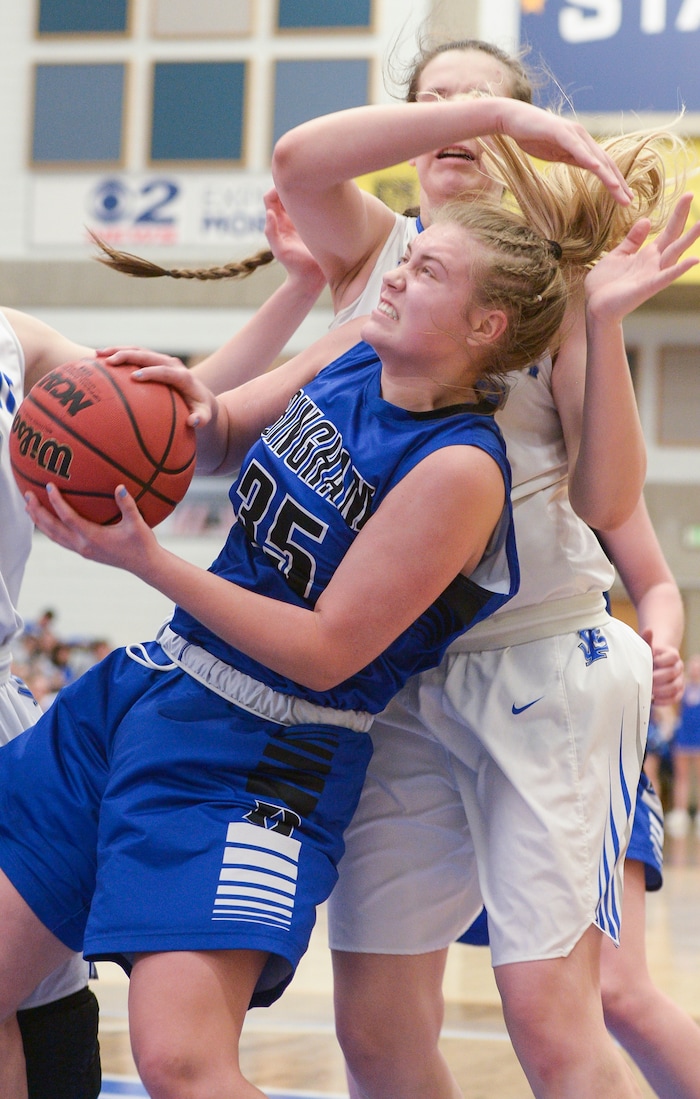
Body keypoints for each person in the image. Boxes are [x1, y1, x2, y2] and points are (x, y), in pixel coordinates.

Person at [0, 190, 608, 1099]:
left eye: (427, 267)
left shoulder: (461, 467)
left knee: (182, 1062)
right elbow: (223, 429)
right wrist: (179, 401)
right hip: (150, 689)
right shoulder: (358, 344)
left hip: (260, 747)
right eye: (409, 256)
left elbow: (326, 650)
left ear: (488, 325)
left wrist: (146, 562)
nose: (397, 270)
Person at [269, 38, 698, 1099]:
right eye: (433, 102)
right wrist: (486, 115)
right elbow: (296, 163)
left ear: (530, 135)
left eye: (483, 102)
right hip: (392, 683)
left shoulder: (548, 284)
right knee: (372, 1029)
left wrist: (598, 322)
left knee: (564, 1020)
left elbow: (610, 510)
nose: (455, 116)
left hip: (540, 667)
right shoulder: (382, 255)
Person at [459, 499, 700, 1099]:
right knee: (389, 1017)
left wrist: (660, 645)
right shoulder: (423, 433)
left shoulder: (581, 444)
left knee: (617, 992)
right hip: (448, 723)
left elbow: (659, 585)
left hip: (579, 727)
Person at [0, 309, 102, 1098]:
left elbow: (147, 401)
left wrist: (300, 289)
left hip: (5, 713)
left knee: (47, 1000)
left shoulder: (9, 335)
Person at [667, 653, 700, 838]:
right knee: (682, 776)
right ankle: (681, 812)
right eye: (693, 666)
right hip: (684, 738)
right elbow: (667, 706)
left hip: (699, 738)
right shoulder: (683, 687)